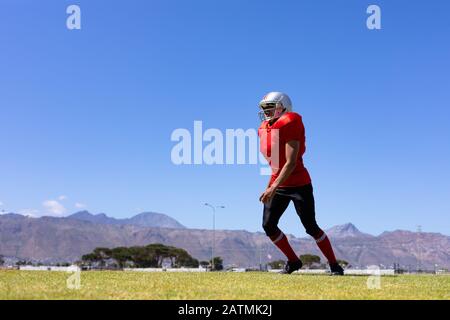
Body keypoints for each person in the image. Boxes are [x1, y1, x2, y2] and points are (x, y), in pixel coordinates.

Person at [258, 92, 344, 275]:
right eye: (264, 108)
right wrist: (270, 186)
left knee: (310, 226)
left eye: (270, 107)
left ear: (284, 107)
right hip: (278, 184)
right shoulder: (264, 128)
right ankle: (294, 261)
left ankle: (334, 265)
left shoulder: (291, 122)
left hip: (298, 183)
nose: (266, 111)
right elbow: (275, 164)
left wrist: (272, 188)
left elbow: (291, 162)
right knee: (268, 225)